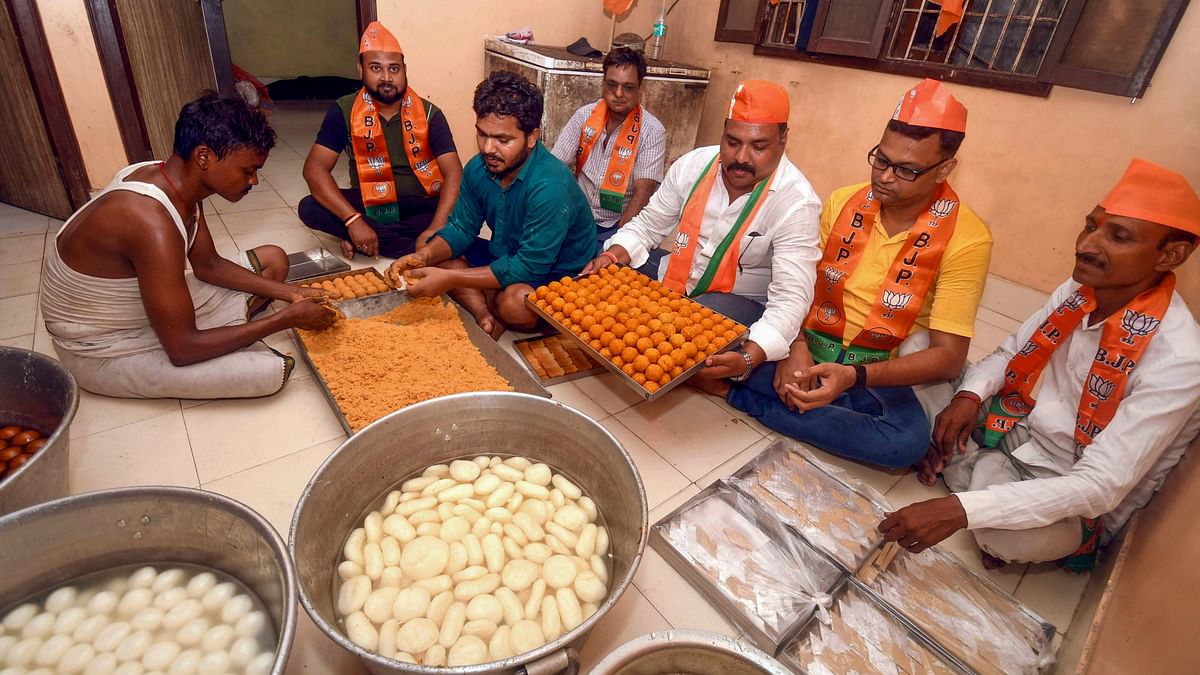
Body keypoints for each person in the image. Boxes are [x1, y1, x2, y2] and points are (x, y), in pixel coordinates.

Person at [881, 159, 1200, 571]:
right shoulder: (1079, 289)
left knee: (1008, 534)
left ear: (1170, 255)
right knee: (922, 346)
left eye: (1118, 237)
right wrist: (967, 396)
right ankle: (971, 469)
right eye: (1091, 226)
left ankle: (956, 465)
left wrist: (958, 511)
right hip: (1013, 425)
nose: (1086, 245)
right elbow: (1010, 354)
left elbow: (1099, 487)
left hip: (1060, 479)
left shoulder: (1180, 359)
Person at [715, 79, 992, 469]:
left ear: (945, 168)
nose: (886, 177)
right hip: (806, 343)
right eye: (881, 159)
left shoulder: (968, 238)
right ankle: (796, 397)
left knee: (903, 443)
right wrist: (796, 348)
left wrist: (852, 377)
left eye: (906, 170)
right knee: (714, 324)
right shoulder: (844, 202)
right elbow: (798, 288)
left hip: (874, 371)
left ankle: (736, 393)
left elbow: (947, 358)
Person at [39, 92, 337, 399]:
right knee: (270, 372)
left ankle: (218, 330)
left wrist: (291, 293)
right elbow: (182, 350)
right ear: (204, 157)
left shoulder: (173, 177)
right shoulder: (150, 220)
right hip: (103, 348)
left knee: (274, 260)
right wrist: (283, 320)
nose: (254, 182)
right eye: (248, 171)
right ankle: (223, 333)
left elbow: (208, 265)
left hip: (144, 305)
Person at [582, 80, 822, 383]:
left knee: (685, 326)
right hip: (678, 276)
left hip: (738, 299)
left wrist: (748, 358)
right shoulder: (693, 165)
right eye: (732, 142)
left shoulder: (797, 203)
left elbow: (790, 299)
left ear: (783, 139)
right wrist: (613, 257)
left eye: (758, 146)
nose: (742, 158)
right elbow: (648, 225)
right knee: (608, 265)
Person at [395, 71, 597, 338]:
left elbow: (528, 267)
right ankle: (485, 313)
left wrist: (452, 280)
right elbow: (461, 229)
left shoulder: (551, 186)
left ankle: (494, 303)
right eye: (482, 135)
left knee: (515, 304)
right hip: (505, 254)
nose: (488, 148)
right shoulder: (479, 168)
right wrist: (423, 258)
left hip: (556, 275)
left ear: (532, 137)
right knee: (428, 245)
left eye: (503, 140)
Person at [299, 21, 462, 260]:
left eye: (394, 69)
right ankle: (418, 246)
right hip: (369, 202)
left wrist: (436, 226)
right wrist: (353, 220)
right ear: (360, 69)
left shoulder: (430, 114)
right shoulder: (344, 109)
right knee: (310, 207)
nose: (386, 77)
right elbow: (314, 169)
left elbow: (454, 173)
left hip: (421, 202)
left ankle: (375, 240)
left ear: (404, 70)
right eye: (376, 68)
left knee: (460, 206)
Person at [550, 47, 666, 247]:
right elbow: (554, 167)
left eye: (628, 87)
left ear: (641, 88)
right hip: (576, 216)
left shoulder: (652, 131)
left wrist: (616, 243)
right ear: (603, 83)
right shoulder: (584, 116)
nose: (619, 94)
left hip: (617, 225)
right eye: (612, 85)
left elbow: (642, 196)